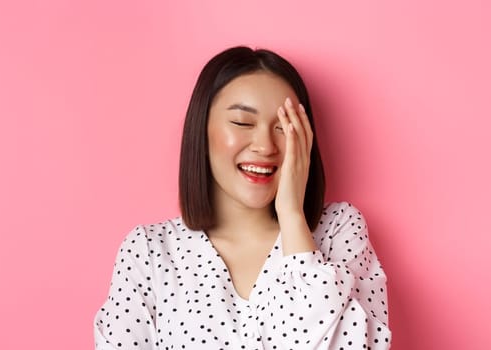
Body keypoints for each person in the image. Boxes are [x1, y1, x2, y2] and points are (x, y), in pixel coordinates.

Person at [92, 46, 391, 349]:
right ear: (202, 130)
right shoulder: (149, 251)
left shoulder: (338, 230)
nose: (265, 145)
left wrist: (291, 215)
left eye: (284, 127)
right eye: (242, 123)